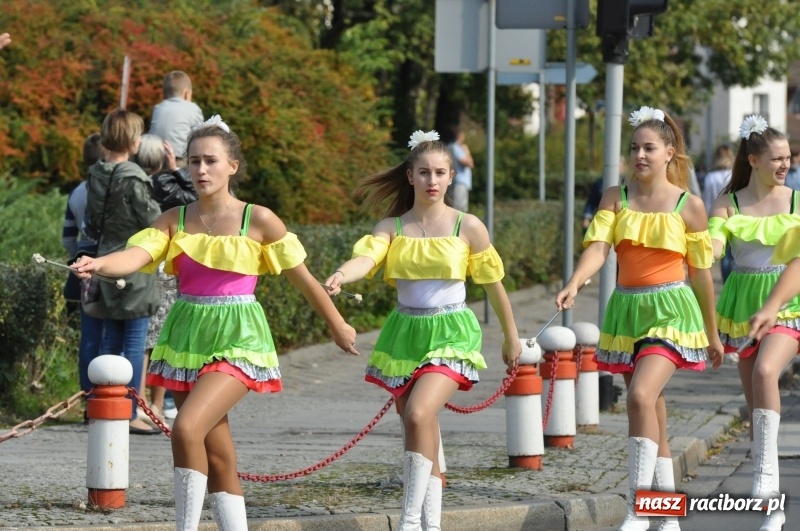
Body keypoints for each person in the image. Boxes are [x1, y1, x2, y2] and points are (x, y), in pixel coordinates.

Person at [72, 116, 358, 531]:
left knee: (186, 428)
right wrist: (99, 263)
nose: (201, 170)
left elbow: (305, 279)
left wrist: (338, 325)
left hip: (239, 336)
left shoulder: (259, 219)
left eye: (211, 161)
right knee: (218, 454)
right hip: (187, 335)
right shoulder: (173, 219)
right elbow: (136, 255)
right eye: (194, 161)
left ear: (232, 166)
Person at [324, 129, 521, 531]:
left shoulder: (468, 226)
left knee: (418, 413)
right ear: (410, 176)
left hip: (452, 331)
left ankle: (410, 521)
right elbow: (368, 257)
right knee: (418, 425)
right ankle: (430, 524)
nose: (433, 180)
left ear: (451, 177)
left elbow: (493, 285)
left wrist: (511, 335)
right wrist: (343, 274)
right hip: (405, 332)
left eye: (440, 172)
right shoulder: (392, 226)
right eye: (425, 172)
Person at [555, 106, 723, 531]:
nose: (640, 155)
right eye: (634, 148)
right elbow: (598, 248)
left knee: (640, 397)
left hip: (671, 310)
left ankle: (638, 509)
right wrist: (575, 281)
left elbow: (702, 276)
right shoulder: (616, 197)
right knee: (652, 411)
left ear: (669, 152)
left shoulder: (690, 206)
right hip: (627, 309)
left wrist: (712, 332)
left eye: (649, 148)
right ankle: (668, 518)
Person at [710, 115, 799, 531]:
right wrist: (701, 250)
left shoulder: (797, 202)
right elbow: (713, 245)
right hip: (743, 306)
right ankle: (771, 508)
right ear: (754, 160)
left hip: (788, 302)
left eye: (788, 157)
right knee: (756, 409)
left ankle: (763, 486)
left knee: (766, 371)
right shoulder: (728, 203)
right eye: (777, 158)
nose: (785, 164)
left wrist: (774, 306)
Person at [83, 109, 163, 435]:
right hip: (133, 262)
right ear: (133, 140)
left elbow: (91, 218)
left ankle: (106, 406)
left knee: (110, 340)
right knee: (134, 341)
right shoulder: (134, 177)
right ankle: (129, 411)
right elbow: (153, 220)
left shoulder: (95, 174)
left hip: (105, 259)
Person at [135, 134, 199, 424]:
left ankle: (140, 401)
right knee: (162, 338)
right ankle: (158, 404)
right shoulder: (168, 184)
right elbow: (196, 198)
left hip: (142, 260)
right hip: (168, 266)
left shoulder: (134, 183)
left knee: (143, 339)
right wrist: (176, 170)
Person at [61, 133, 106, 408]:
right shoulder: (110, 187)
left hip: (82, 259)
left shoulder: (77, 191)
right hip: (108, 260)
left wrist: (75, 257)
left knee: (89, 335)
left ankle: (88, 399)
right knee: (112, 332)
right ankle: (110, 397)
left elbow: (68, 236)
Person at [149, 71, 203, 161]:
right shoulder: (193, 108)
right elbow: (200, 134)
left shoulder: (158, 108)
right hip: (179, 157)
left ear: (164, 94)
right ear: (187, 93)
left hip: (155, 157)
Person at [702, 144, 736, 282]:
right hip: (733, 214)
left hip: (715, 216)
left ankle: (726, 280)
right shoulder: (733, 174)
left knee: (723, 254)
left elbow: (707, 199)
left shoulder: (710, 177)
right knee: (733, 251)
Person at [582, 156, 628, 233]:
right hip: (603, 223)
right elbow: (591, 201)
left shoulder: (627, 184)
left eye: (619, 166)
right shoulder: (599, 183)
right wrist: (586, 218)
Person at [447, 127, 474, 212]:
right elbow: (469, 163)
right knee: (459, 208)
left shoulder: (450, 147)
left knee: (455, 207)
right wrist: (467, 151)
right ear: (459, 135)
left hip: (456, 180)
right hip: (460, 181)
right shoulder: (456, 148)